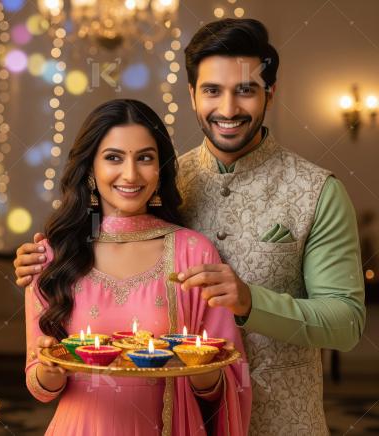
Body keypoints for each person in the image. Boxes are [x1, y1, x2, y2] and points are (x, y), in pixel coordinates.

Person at [16, 19, 365, 435]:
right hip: (177, 421)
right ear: (193, 95)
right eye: (213, 90)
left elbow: (346, 323)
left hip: (284, 423)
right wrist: (48, 258)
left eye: (246, 90)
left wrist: (252, 302)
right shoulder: (158, 179)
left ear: (270, 94)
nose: (229, 108)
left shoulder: (316, 191)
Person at [24, 98, 251, 435]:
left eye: (145, 158)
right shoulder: (53, 256)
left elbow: (228, 381)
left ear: (160, 170)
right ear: (90, 169)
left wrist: (202, 366)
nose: (130, 174)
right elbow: (39, 386)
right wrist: (49, 370)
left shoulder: (192, 252)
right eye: (114, 158)